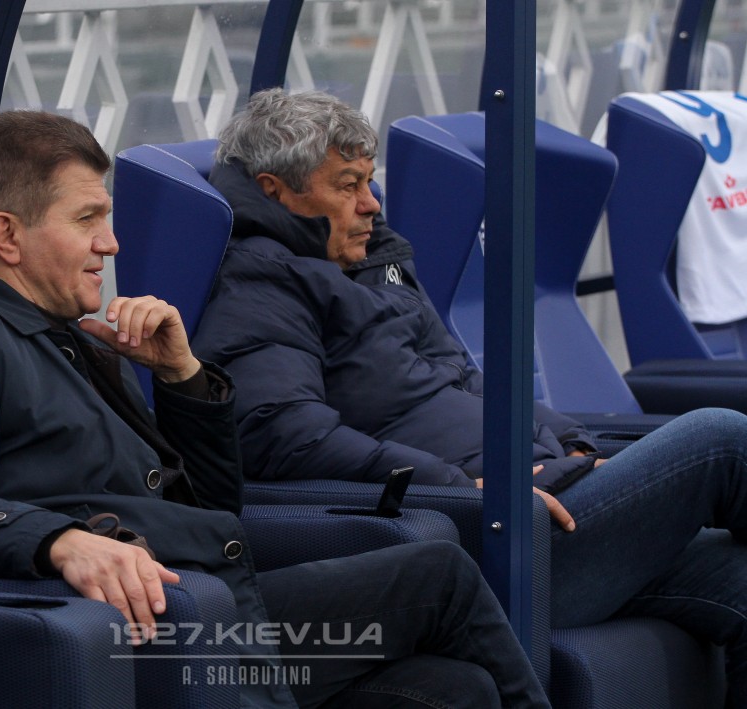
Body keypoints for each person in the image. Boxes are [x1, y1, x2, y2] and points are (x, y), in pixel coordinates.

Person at [0, 109, 550, 709]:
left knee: (453, 689)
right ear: (7, 236)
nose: (110, 244)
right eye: (87, 220)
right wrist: (58, 541)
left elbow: (214, 503)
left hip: (215, 608)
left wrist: (183, 378)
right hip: (167, 631)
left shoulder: (75, 341)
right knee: (438, 577)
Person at [190, 87, 747, 708]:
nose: (370, 203)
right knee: (721, 439)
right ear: (275, 190)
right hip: (493, 533)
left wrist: (572, 440)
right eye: (348, 186)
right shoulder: (262, 282)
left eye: (369, 181)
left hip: (546, 495)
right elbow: (282, 432)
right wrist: (454, 486)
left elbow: (462, 377)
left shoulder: (373, 260)